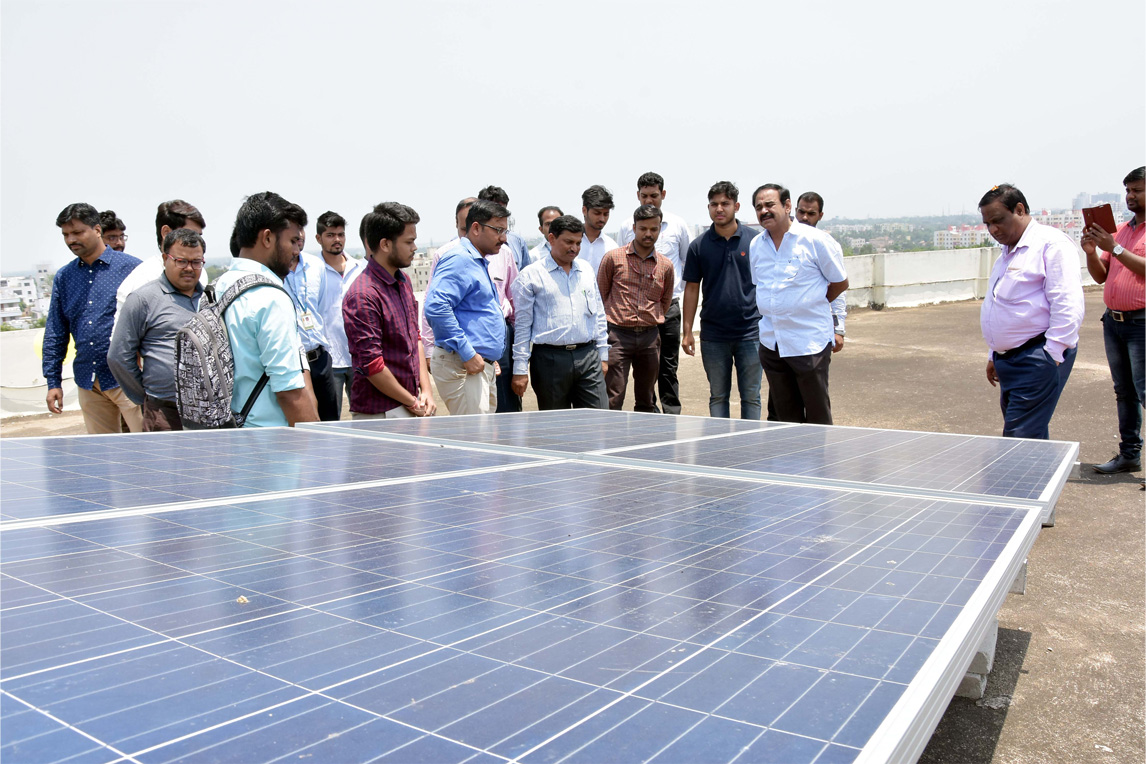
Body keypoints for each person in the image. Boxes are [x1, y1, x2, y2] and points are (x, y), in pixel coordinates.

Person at [979, 183, 1084, 439]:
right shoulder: (1008, 251)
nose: (993, 230)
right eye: (987, 224)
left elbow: (1067, 304)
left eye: (998, 221)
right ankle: (1039, 478)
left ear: (1020, 209)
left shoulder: (1051, 245)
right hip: (1010, 359)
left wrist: (1052, 355)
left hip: (1037, 356)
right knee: (1029, 436)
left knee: (1020, 437)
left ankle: (1022, 481)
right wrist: (995, 353)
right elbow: (1001, 305)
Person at [211, 191, 319, 427]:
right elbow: (289, 392)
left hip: (227, 434)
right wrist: (316, 444)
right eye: (292, 241)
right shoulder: (270, 298)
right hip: (271, 447)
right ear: (268, 238)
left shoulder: (217, 287)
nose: (296, 251)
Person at [749, 184, 849, 425]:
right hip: (772, 343)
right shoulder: (756, 246)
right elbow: (760, 286)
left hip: (808, 344)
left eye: (770, 205)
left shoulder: (815, 241)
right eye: (759, 207)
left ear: (787, 206)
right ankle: (792, 463)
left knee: (817, 417)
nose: (764, 211)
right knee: (785, 419)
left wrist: (812, 305)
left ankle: (820, 462)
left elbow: (840, 282)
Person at [44, 203, 143, 433]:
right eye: (66, 235)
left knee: (149, 450)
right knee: (101, 457)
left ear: (97, 230)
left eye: (77, 232)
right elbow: (56, 332)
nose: (71, 240)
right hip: (88, 380)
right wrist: (53, 382)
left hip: (129, 378)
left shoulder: (132, 268)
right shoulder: (64, 277)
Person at [342, 203, 435, 419]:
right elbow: (372, 365)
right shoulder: (363, 295)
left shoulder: (403, 282)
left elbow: (416, 338)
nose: (415, 248)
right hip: (380, 412)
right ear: (385, 244)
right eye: (409, 242)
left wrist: (427, 391)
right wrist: (411, 401)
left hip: (410, 402)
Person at [107, 228, 206, 431]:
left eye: (196, 262)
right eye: (181, 261)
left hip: (208, 413)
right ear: (165, 258)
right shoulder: (142, 300)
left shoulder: (210, 299)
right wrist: (145, 395)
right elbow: (118, 356)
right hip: (164, 413)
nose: (189, 268)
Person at [1081, 166, 1145, 474]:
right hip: (1114, 322)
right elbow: (1101, 276)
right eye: (1128, 190)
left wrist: (1115, 248)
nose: (1131, 196)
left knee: (1145, 391)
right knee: (1125, 392)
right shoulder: (1119, 230)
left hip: (1142, 324)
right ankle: (1129, 455)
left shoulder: (1117, 240)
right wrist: (1092, 252)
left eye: (1138, 190)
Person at [681, 181, 763, 419]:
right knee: (718, 396)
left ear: (736, 206)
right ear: (708, 208)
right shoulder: (699, 246)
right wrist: (687, 331)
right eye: (714, 204)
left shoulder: (755, 241)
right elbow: (692, 288)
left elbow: (768, 283)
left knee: (751, 396)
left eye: (725, 203)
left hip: (751, 331)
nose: (719, 209)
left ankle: (751, 447)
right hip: (714, 335)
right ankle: (720, 448)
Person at [512, 215, 609, 409]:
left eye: (578, 243)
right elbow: (522, 326)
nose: (574, 248)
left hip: (588, 357)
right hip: (550, 361)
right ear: (551, 239)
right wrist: (520, 370)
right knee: (556, 428)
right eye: (568, 242)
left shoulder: (587, 270)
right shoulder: (531, 275)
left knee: (599, 422)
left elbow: (598, 314)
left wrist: (603, 355)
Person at [423, 199, 510, 415]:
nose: (503, 238)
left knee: (482, 438)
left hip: (477, 366)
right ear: (476, 228)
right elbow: (436, 307)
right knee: (474, 441)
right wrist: (467, 353)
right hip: (464, 365)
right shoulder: (459, 259)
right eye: (498, 230)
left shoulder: (476, 259)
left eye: (505, 230)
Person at [618, 172, 691, 415]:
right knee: (645, 366)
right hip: (636, 310)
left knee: (668, 365)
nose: (649, 200)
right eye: (644, 195)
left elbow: (683, 263)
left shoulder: (678, 225)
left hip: (668, 306)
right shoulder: (626, 226)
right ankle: (649, 412)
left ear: (663, 195)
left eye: (654, 195)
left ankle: (671, 414)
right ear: (637, 196)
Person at [598, 205, 674, 412]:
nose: (648, 234)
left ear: (659, 229)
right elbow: (601, 294)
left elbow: (665, 301)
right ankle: (610, 440)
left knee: (647, 398)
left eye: (653, 229)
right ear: (634, 228)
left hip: (650, 338)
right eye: (643, 228)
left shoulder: (665, 265)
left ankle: (644, 441)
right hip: (618, 337)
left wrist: (650, 319)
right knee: (613, 395)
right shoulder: (613, 258)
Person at [283, 221, 340, 421]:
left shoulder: (316, 266)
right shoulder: (274, 271)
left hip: (320, 358)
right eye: (292, 232)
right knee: (304, 423)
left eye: (301, 230)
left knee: (330, 421)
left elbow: (321, 309)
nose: (299, 236)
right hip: (293, 364)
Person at [115, 200, 207, 317]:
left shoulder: (200, 273)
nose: (196, 241)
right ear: (166, 232)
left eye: (199, 236)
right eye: (189, 234)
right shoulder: (141, 281)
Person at [314, 211, 365, 415]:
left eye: (340, 234)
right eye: (330, 235)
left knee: (364, 415)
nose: (337, 240)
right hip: (329, 359)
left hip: (358, 357)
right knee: (330, 417)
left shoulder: (360, 268)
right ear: (319, 238)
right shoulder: (312, 271)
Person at [421, 197, 476, 363]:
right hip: (456, 351)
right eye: (463, 229)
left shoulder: (502, 253)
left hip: (494, 349)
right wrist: (429, 349)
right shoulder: (444, 255)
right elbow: (433, 304)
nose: (468, 236)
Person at [795, 191, 847, 354]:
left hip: (815, 328)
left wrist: (838, 329)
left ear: (820, 215)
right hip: (784, 330)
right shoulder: (781, 242)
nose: (804, 217)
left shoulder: (827, 244)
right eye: (801, 212)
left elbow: (838, 287)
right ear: (795, 210)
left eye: (811, 213)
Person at [478, 185, 532, 270]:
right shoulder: (467, 244)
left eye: (502, 210)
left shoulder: (517, 241)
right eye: (494, 210)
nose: (499, 214)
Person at [580, 185, 619, 274]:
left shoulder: (612, 248)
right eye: (597, 213)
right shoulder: (569, 243)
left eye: (606, 214)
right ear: (584, 210)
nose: (602, 219)